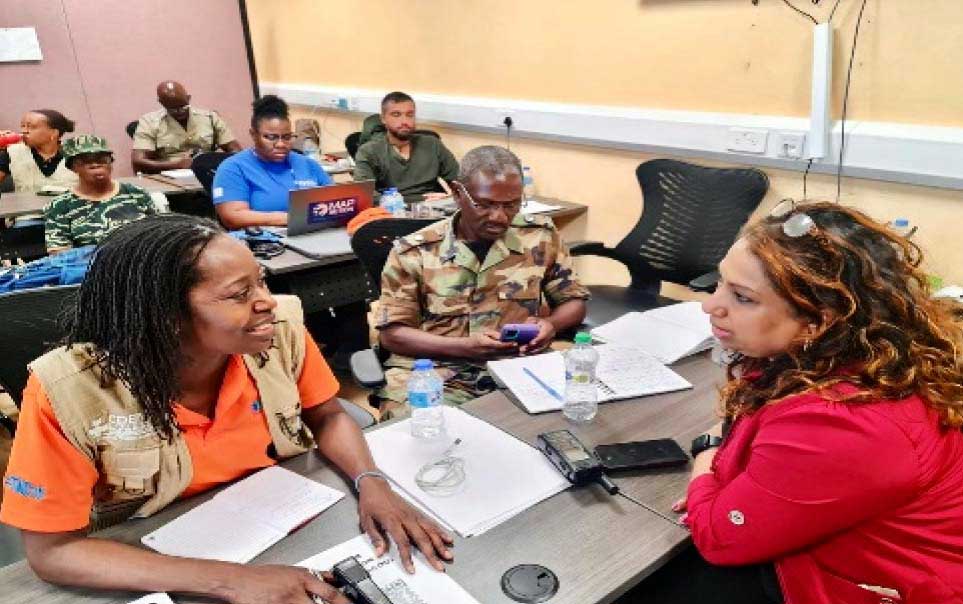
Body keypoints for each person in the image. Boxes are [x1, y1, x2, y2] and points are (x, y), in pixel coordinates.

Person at [0, 215, 453, 603]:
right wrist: (233, 581)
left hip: (283, 520)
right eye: (240, 293)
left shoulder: (278, 332)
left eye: (261, 280)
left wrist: (372, 482)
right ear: (165, 315)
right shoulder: (70, 389)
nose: (267, 302)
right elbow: (51, 552)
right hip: (152, 555)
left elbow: (329, 414)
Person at [626, 201, 963, 604]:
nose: (710, 306)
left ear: (818, 322)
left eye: (743, 298)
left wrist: (707, 454)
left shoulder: (848, 420)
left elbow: (719, 537)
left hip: (869, 584)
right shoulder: (850, 354)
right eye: (720, 283)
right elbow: (755, 421)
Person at [376, 145, 589, 418]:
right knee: (426, 435)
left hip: (519, 366)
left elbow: (574, 301)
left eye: (511, 205)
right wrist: (465, 347)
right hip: (438, 371)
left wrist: (550, 325)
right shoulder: (414, 252)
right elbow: (392, 334)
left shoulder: (540, 236)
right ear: (457, 193)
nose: (499, 217)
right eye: (485, 204)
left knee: (577, 417)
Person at [212, 95, 332, 229]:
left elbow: (336, 202)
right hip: (267, 242)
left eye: (287, 137)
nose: (281, 144)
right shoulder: (233, 168)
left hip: (315, 232)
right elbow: (233, 217)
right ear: (253, 134)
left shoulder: (307, 164)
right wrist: (291, 219)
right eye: (271, 137)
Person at [43, 135, 157, 253]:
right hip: (92, 266)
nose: (95, 165)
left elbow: (159, 233)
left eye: (102, 159)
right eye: (85, 161)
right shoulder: (60, 206)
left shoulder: (136, 194)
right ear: (72, 167)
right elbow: (60, 254)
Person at [353, 92, 459, 205]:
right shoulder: (369, 151)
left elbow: (461, 182)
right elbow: (365, 195)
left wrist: (451, 196)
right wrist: (412, 203)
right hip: (392, 211)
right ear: (383, 119)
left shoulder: (432, 144)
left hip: (434, 207)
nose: (404, 121)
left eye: (409, 115)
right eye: (396, 114)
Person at [131, 81, 242, 175]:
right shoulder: (149, 122)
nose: (179, 112)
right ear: (161, 103)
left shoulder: (210, 118)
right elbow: (138, 162)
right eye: (173, 109)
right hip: (168, 177)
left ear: (188, 98)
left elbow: (236, 152)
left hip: (207, 173)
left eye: (183, 107)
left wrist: (215, 162)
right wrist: (176, 165)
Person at [0, 109, 77, 193]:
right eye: (23, 126)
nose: (24, 131)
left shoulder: (76, 154)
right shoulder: (12, 153)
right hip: (26, 206)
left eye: (32, 127)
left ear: (54, 133)